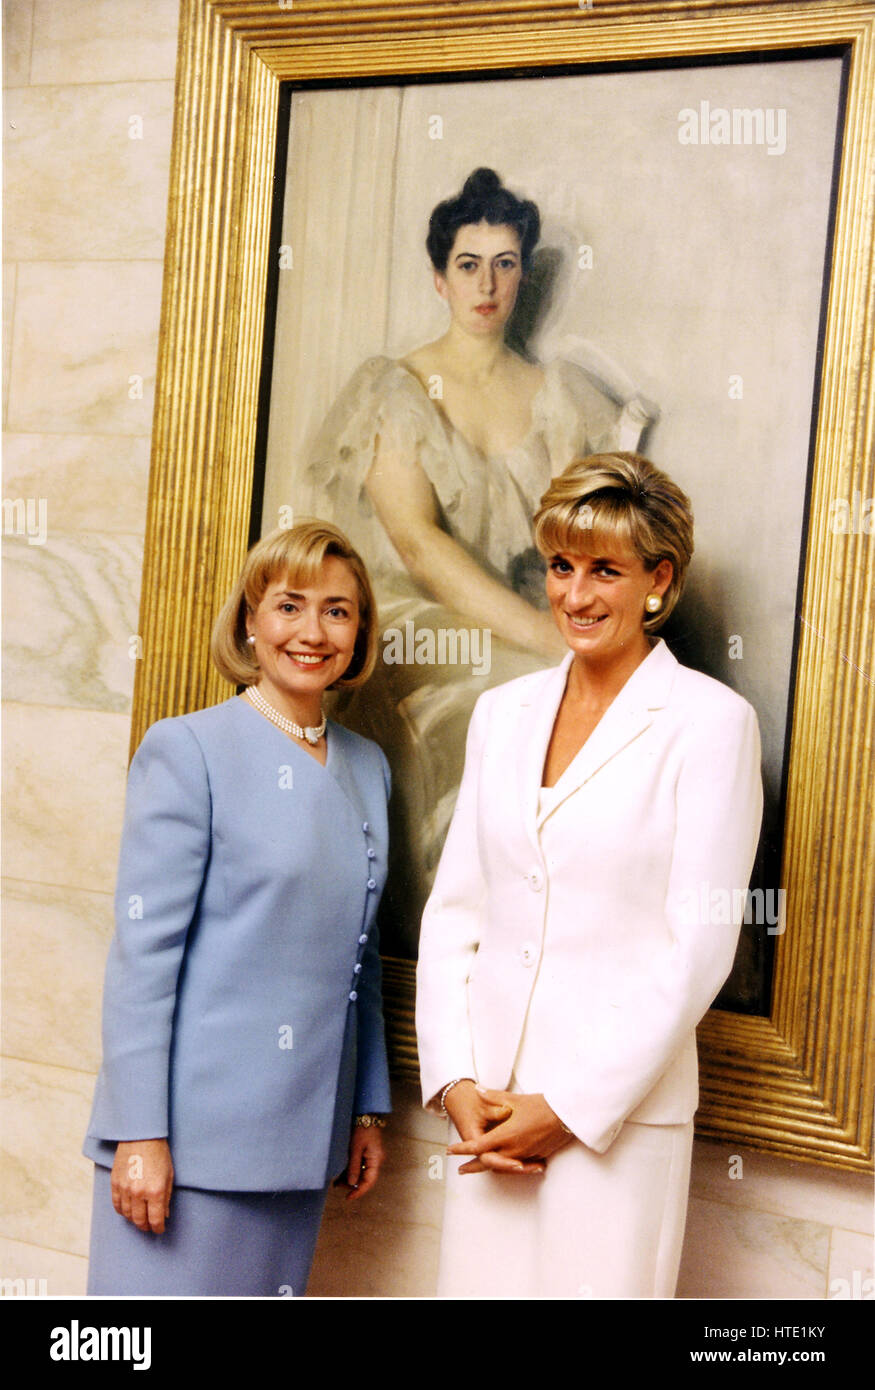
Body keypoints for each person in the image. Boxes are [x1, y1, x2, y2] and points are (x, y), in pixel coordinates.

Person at [415, 452, 763, 1298]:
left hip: (614, 1125)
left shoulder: (710, 726)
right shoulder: (503, 714)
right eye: (560, 567)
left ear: (658, 579)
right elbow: (455, 912)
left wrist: (564, 1108)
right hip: (487, 1119)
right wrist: (456, 1079)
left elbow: (697, 950)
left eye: (604, 570)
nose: (574, 595)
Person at [303, 168, 643, 954]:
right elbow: (419, 546)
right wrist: (541, 635)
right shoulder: (396, 387)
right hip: (423, 611)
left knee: (645, 688)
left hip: (533, 601)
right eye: (467, 264)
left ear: (523, 273)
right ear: (438, 277)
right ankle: (474, 953)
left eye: (505, 262)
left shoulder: (557, 391)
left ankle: (584, 946)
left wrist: (583, 622)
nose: (487, 284)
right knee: (508, 688)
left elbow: (579, 539)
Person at [84, 521, 391, 1296]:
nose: (312, 632)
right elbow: (141, 963)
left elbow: (363, 952)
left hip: (302, 1142)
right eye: (288, 606)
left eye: (337, 611)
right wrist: (138, 1133)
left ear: (359, 632)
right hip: (187, 1146)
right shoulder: (189, 751)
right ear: (250, 621)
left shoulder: (368, 765)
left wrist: (365, 1113)